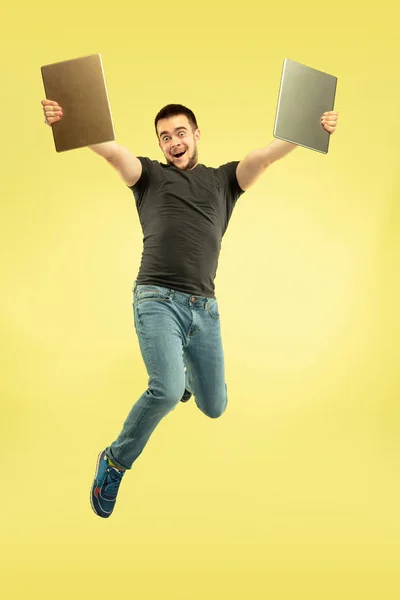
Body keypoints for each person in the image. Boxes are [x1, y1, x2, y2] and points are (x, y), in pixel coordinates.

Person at [42, 98, 338, 518]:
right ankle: (114, 460)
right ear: (160, 145)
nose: (173, 142)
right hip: (156, 300)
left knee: (214, 406)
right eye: (165, 137)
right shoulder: (148, 176)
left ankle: (184, 380)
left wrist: (311, 126)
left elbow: (265, 157)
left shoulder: (223, 182)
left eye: (180, 133)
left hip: (204, 311)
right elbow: (112, 151)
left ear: (196, 135)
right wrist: (71, 118)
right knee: (162, 390)